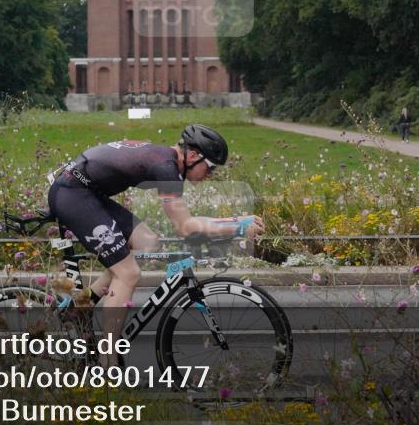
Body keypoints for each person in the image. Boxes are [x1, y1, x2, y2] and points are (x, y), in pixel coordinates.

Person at [47, 124, 264, 365]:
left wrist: (234, 222)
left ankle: (82, 304)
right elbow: (186, 227)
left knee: (148, 242)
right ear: (193, 155)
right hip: (74, 194)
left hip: (86, 191)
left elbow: (185, 222)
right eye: (210, 167)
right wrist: (238, 227)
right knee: (128, 273)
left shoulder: (166, 159)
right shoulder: (165, 166)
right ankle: (107, 364)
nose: (210, 174)